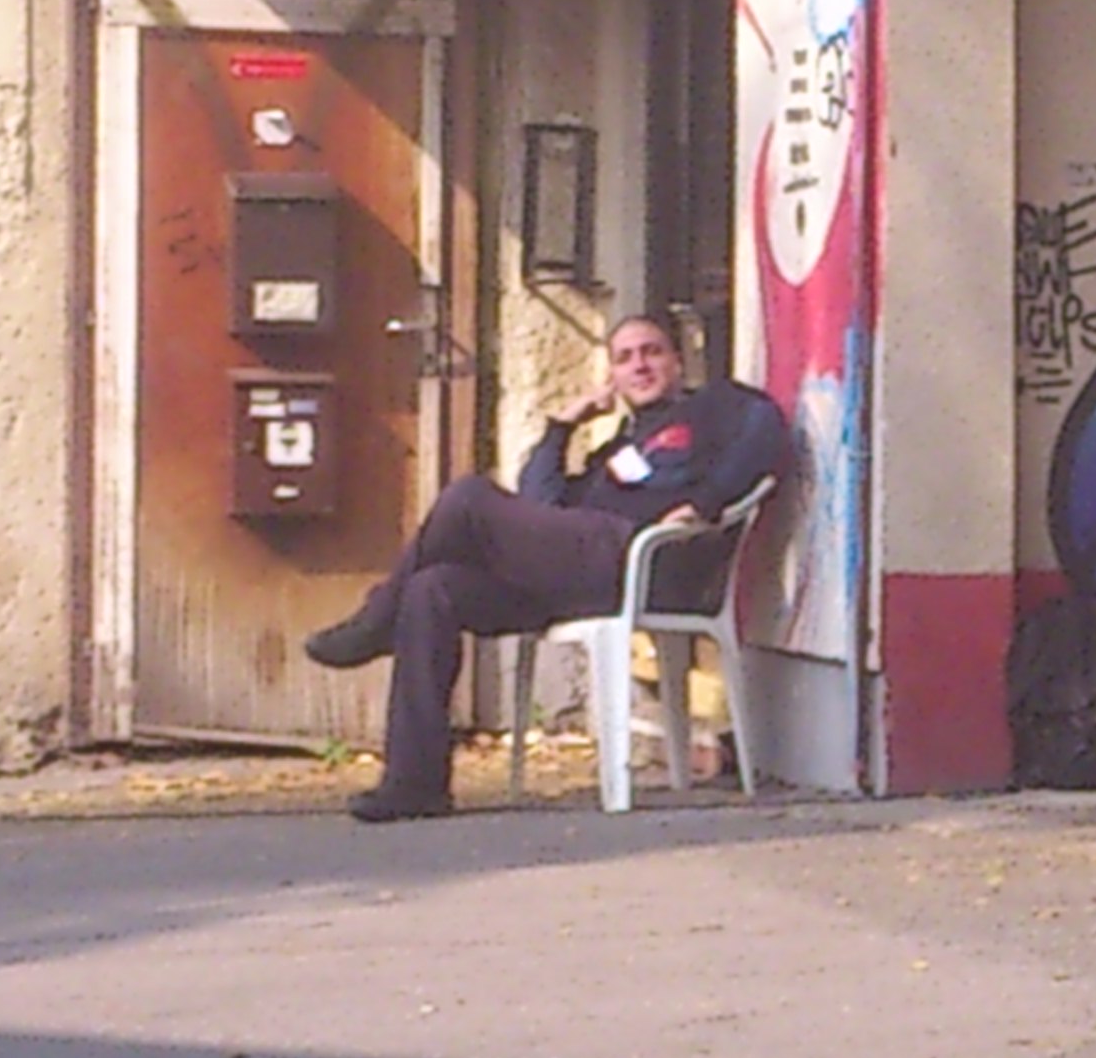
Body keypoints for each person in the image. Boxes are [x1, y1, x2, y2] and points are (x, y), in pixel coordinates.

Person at [305, 313, 786, 820]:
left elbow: (766, 430)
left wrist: (705, 502)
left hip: (641, 560)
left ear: (678, 361)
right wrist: (563, 426)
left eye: (652, 351)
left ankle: (377, 619)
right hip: (581, 573)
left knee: (468, 498)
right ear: (612, 377)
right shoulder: (613, 451)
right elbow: (539, 500)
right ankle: (415, 784)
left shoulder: (715, 406)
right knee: (432, 589)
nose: (640, 366)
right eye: (624, 359)